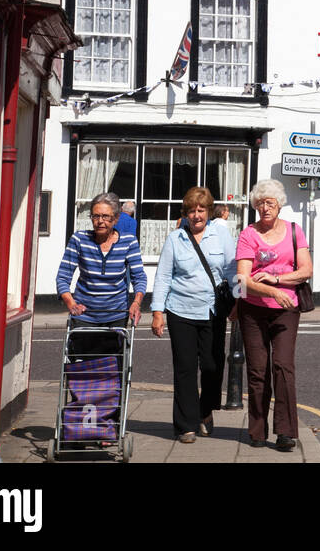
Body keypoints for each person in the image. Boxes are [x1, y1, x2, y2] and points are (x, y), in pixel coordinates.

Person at [151, 186, 236, 443]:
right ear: (185, 214)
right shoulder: (175, 239)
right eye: (191, 211)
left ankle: (205, 410)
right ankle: (185, 425)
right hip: (180, 311)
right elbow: (164, 276)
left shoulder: (221, 235)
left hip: (213, 311)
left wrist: (238, 303)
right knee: (185, 369)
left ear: (209, 212)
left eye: (201, 210)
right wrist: (157, 312)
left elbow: (234, 271)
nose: (196, 215)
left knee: (212, 366)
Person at [236, 179, 311, 452]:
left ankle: (286, 432)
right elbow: (241, 279)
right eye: (260, 203)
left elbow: (306, 270)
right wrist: (266, 289)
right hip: (253, 310)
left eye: (270, 203)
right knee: (257, 371)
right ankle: (257, 430)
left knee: (283, 367)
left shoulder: (294, 230)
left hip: (286, 310)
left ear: (279, 204)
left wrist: (277, 283)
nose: (265, 208)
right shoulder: (248, 235)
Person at [56, 192, 146, 353]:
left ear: (116, 218)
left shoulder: (128, 242)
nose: (100, 221)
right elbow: (63, 276)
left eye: (106, 216)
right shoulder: (79, 240)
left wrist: (136, 303)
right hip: (84, 316)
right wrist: (71, 303)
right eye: (95, 216)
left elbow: (139, 277)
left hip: (116, 314)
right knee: (80, 368)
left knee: (113, 368)